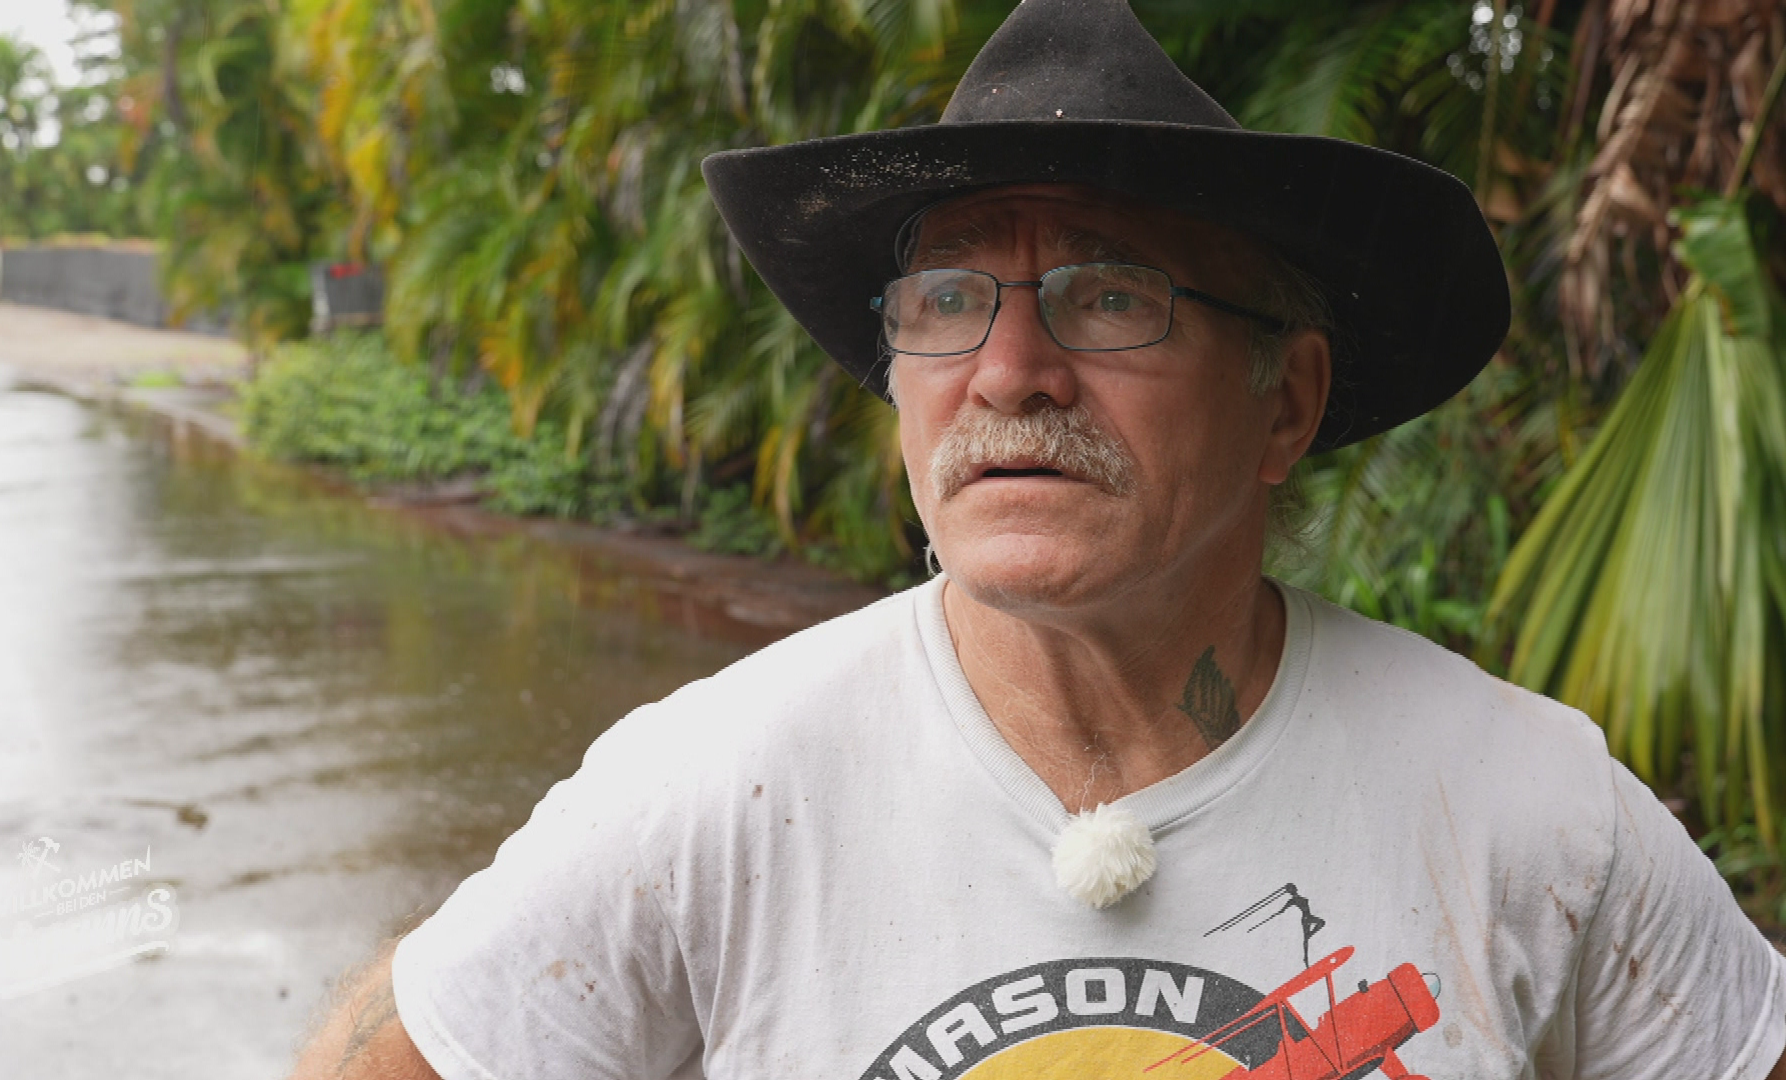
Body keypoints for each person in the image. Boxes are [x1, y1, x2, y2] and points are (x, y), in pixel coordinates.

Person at [291, 1, 1786, 1078]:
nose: (1008, 373)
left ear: (1284, 401)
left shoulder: (1532, 814)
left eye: (1110, 294)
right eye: (947, 300)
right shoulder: (713, 796)